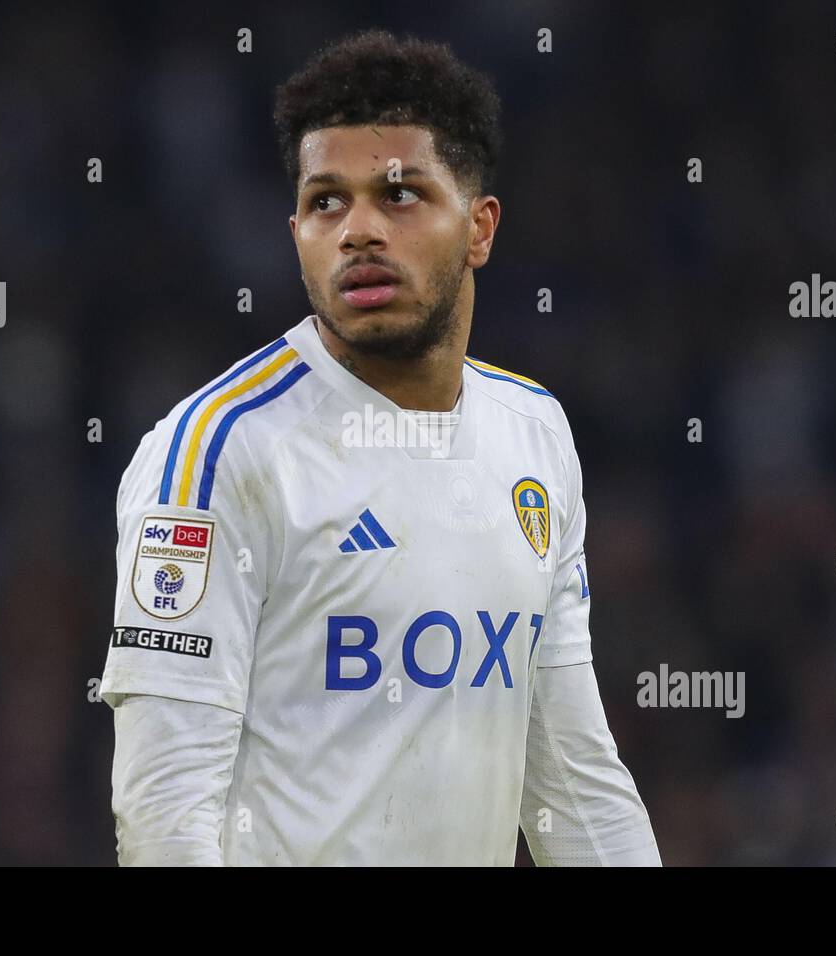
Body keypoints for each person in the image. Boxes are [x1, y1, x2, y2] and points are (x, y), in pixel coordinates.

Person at [100, 28, 661, 866]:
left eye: (399, 195)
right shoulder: (218, 453)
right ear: (295, 232)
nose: (358, 230)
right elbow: (164, 809)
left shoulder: (533, 436)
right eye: (328, 201)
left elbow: (573, 782)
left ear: (479, 227)